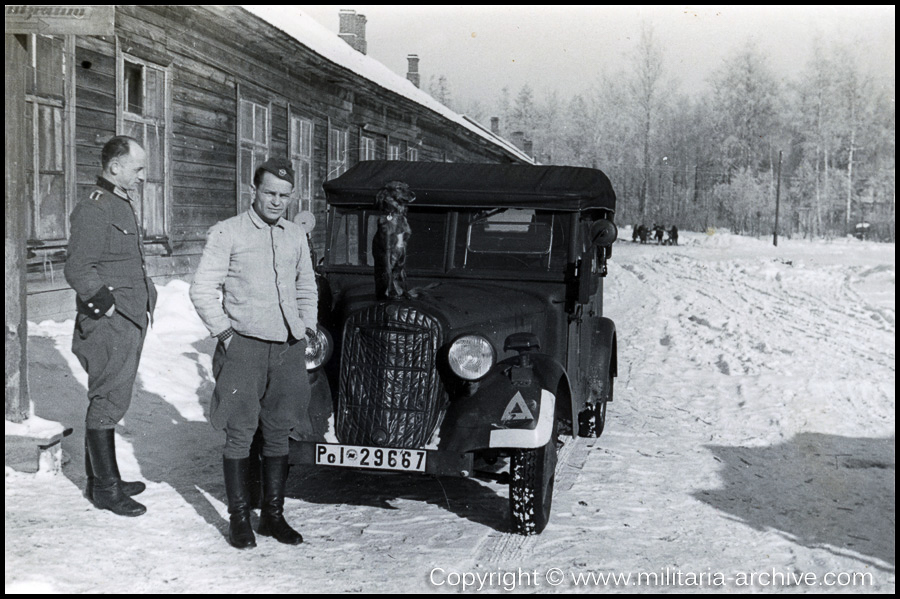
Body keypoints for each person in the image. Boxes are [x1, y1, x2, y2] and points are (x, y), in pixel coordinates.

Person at [190, 159, 317, 549]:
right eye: (269, 193)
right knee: (240, 434)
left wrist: (307, 329)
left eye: (284, 195)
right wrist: (226, 334)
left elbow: (307, 288)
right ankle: (239, 519)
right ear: (254, 191)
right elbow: (201, 289)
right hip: (243, 347)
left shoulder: (296, 235)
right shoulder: (228, 232)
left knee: (279, 432)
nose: (276, 201)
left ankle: (273, 517)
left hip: (288, 349)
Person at [64, 136, 157, 517]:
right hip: (111, 321)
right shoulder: (94, 207)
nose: (141, 175)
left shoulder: (119, 202)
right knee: (108, 400)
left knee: (113, 396)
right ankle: (105, 488)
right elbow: (77, 268)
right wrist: (110, 308)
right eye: (137, 167)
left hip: (129, 316)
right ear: (115, 166)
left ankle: (104, 479)